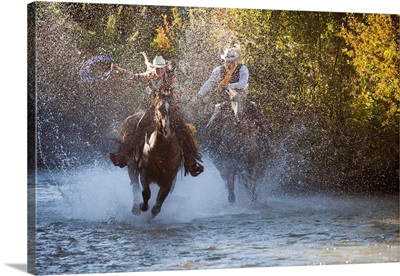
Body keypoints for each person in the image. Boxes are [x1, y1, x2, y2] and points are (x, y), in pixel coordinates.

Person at [110, 55, 203, 177]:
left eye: (161, 68)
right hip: (154, 109)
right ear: (154, 69)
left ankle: (191, 161)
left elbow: (176, 97)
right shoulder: (149, 76)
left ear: (165, 68)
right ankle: (125, 154)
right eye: (157, 69)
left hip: (170, 109)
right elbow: (133, 77)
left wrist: (167, 95)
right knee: (139, 126)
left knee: (183, 131)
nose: (159, 71)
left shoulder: (172, 80)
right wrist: (118, 69)